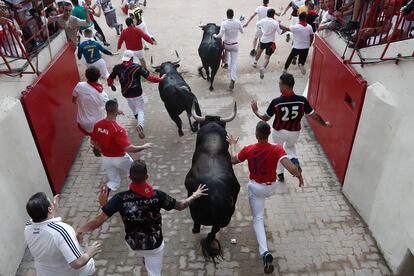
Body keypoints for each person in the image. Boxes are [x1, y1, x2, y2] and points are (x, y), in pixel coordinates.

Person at [76, 160, 208, 276]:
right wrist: (195, 195)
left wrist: (80, 229)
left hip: (133, 243)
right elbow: (180, 206)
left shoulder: (120, 199)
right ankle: (148, 260)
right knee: (154, 272)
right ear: (147, 177)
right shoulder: (158, 196)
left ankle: (145, 258)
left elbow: (99, 219)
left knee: (145, 255)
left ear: (129, 177)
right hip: (154, 245)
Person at [227, 121, 303, 274]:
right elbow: (291, 169)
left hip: (256, 189)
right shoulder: (277, 148)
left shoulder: (249, 149)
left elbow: (233, 160)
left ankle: (265, 253)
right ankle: (265, 252)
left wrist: (233, 144)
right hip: (272, 187)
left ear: (256, 135)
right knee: (263, 201)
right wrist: (300, 177)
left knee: (258, 219)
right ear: (269, 135)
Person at [251, 73, 332, 182]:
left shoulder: (276, 102)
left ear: (285, 86)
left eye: (280, 84)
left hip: (278, 133)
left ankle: (280, 174)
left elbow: (265, 118)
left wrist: (256, 111)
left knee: (278, 152)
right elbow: (315, 116)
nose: (279, 86)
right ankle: (294, 161)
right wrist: (325, 124)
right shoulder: (302, 100)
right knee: (289, 148)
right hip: (294, 132)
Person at [25, 192, 101, 276]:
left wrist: (53, 208)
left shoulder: (28, 227)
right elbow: (77, 263)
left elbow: (47, 229)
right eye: (50, 201)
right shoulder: (61, 231)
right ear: (49, 209)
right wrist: (90, 252)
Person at [91, 99, 153, 193]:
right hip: (120, 158)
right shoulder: (118, 130)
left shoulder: (97, 125)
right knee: (134, 173)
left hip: (105, 159)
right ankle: (134, 192)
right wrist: (143, 146)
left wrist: (99, 149)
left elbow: (93, 141)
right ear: (115, 111)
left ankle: (105, 191)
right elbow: (129, 148)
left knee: (114, 181)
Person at [107, 50, 164, 139]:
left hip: (126, 94)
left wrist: (111, 85)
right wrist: (160, 79)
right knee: (140, 109)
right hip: (137, 93)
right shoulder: (137, 67)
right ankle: (140, 125)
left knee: (132, 106)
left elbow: (110, 79)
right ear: (132, 58)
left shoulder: (117, 67)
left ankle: (136, 117)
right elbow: (150, 78)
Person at [73, 66, 109, 136]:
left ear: (86, 75)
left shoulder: (79, 86)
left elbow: (74, 100)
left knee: (92, 136)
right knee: (99, 137)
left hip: (82, 122)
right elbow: (108, 107)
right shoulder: (102, 95)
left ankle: (93, 143)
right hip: (97, 123)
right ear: (98, 77)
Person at [213, 8, 243, 91]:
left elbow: (220, 35)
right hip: (234, 45)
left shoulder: (224, 23)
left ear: (227, 15)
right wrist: (240, 24)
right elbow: (242, 31)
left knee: (225, 47)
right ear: (233, 14)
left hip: (226, 45)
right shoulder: (238, 22)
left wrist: (214, 35)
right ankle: (232, 79)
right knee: (234, 64)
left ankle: (225, 62)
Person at [254, 8, 288, 79]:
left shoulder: (263, 20)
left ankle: (255, 62)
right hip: (271, 41)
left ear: (267, 14)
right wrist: (286, 30)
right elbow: (280, 32)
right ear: (273, 15)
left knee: (260, 51)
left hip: (263, 39)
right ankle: (263, 67)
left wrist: (262, 28)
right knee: (267, 57)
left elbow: (257, 24)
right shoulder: (275, 23)